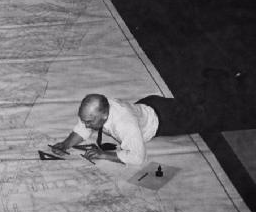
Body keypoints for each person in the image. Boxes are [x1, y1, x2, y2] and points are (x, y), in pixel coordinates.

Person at [52, 69, 237, 165]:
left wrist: (104, 155)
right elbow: (82, 128)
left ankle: (228, 83)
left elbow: (137, 157)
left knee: (206, 117)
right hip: (148, 105)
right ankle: (212, 81)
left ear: (105, 115)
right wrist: (65, 144)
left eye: (89, 121)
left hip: (165, 119)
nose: (86, 124)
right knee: (187, 102)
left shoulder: (124, 124)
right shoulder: (96, 110)